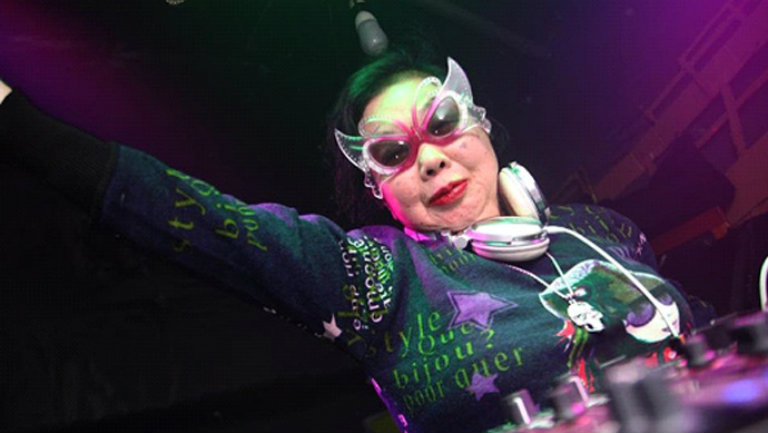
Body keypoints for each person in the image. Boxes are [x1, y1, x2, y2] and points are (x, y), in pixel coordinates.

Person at [1, 48, 703, 433]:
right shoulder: (373, 275)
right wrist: (15, 122)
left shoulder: (601, 231)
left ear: (482, 123)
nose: (430, 159)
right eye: (394, 153)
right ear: (379, 189)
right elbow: (196, 216)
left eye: (442, 123)